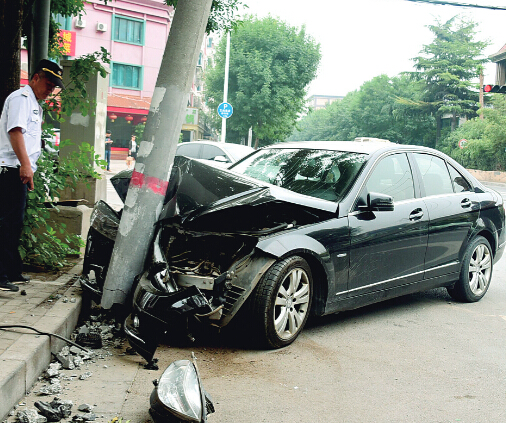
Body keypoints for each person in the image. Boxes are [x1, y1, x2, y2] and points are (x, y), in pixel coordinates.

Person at [0, 59, 65, 292]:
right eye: (48, 84)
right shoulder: (21, 99)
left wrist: (29, 167)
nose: (50, 90)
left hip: (19, 168)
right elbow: (15, 132)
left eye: (53, 87)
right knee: (7, 222)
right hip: (10, 168)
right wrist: (26, 166)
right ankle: (1, 275)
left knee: (14, 222)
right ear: (35, 78)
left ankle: (12, 270)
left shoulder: (35, 104)